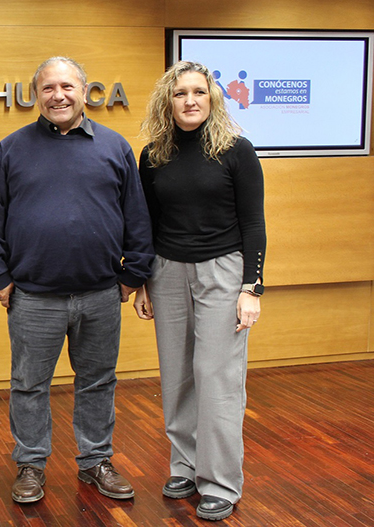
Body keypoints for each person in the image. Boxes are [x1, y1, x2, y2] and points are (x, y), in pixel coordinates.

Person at [0, 56, 154, 504]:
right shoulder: (11, 149)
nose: (58, 95)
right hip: (33, 298)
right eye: (49, 88)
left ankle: (95, 461)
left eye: (67, 87)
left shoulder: (114, 148)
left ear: (84, 90)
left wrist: (132, 277)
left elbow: (137, 218)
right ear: (37, 95)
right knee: (29, 385)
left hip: (99, 295)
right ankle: (32, 465)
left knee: (97, 381)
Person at [134, 61, 265, 522]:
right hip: (167, 273)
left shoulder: (237, 151)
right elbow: (147, 224)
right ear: (166, 102)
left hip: (222, 273)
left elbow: (254, 223)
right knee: (177, 377)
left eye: (198, 92)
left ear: (212, 99)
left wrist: (252, 288)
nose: (190, 100)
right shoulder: (152, 156)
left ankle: (221, 482)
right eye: (180, 93)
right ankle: (185, 467)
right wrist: (145, 281)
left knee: (217, 379)